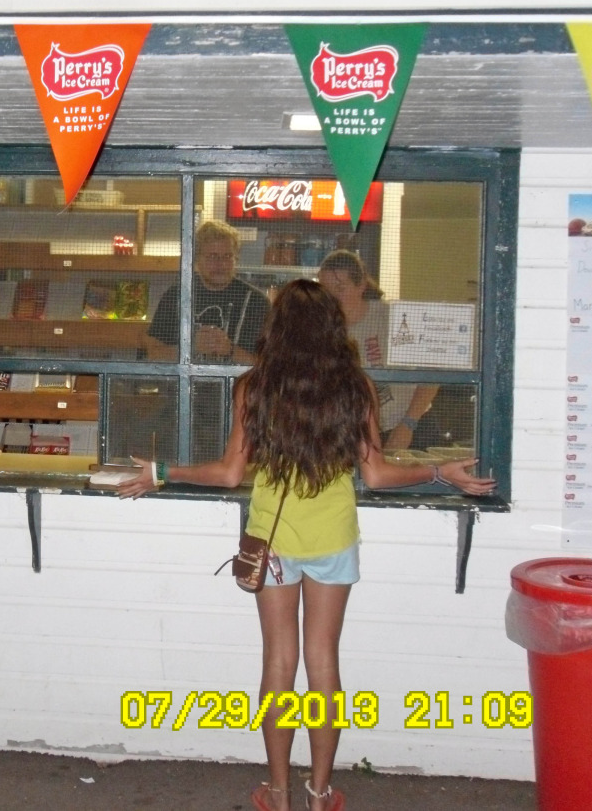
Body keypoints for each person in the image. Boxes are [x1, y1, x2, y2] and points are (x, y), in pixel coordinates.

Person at [117, 279, 494, 811]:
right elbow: (378, 475)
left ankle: (279, 792)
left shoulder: (254, 387)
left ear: (276, 329)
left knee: (279, 662)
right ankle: (319, 792)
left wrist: (162, 472)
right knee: (323, 663)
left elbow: (229, 474)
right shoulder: (356, 388)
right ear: (332, 327)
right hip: (333, 539)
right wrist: (439, 471)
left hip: (273, 541)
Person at [317, 250, 439, 451]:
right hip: (357, 433)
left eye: (340, 288)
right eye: (324, 289)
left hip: (411, 426)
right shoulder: (320, 329)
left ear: (361, 285)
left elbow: (432, 373)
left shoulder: (393, 317)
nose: (331, 297)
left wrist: (408, 424)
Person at [145, 219, 271, 364]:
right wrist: (191, 347)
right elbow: (154, 353)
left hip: (237, 380)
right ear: (196, 260)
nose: (221, 264)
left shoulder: (257, 302)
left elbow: (269, 364)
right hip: (184, 380)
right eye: (212, 256)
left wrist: (229, 350)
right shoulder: (177, 296)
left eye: (227, 256)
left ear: (236, 258)